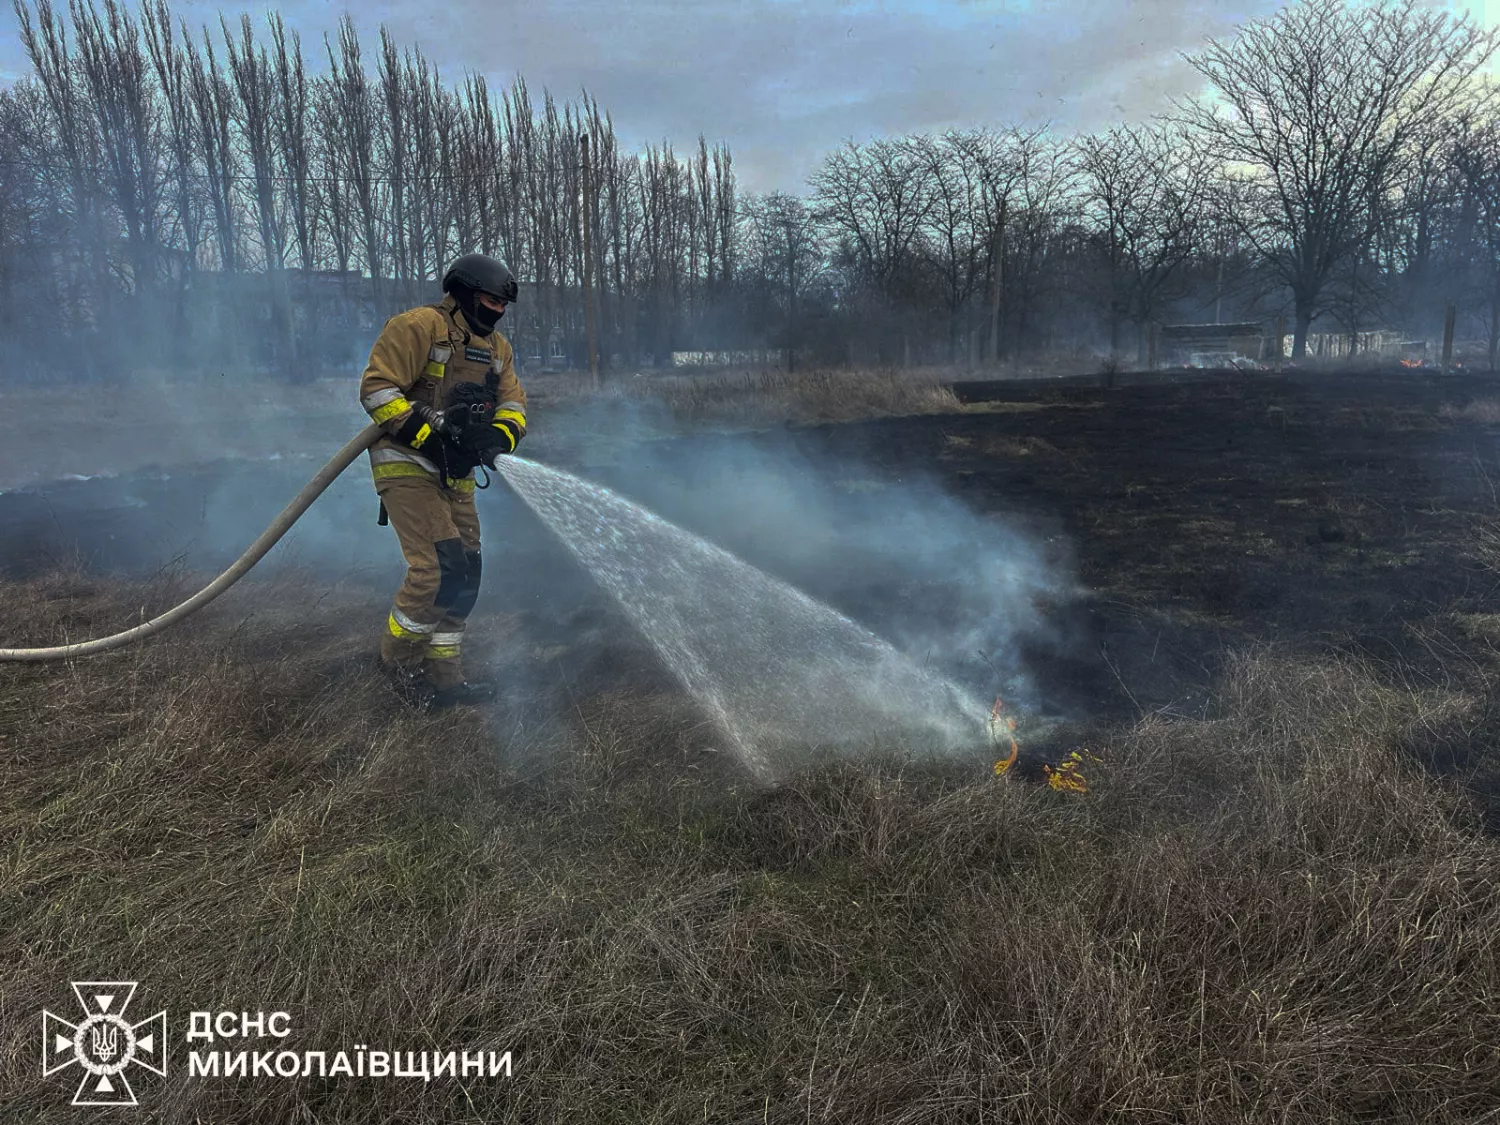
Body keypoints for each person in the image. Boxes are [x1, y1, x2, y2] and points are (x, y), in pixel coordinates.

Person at [357, 253, 528, 709]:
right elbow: (377, 389)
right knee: (437, 568)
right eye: (492, 301)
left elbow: (514, 407)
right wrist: (430, 440)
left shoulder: (497, 350)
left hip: (458, 473)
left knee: (467, 574)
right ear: (465, 293)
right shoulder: (417, 326)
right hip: (406, 463)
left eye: (503, 305)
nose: (498, 311)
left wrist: (496, 436)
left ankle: (446, 680)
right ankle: (401, 671)